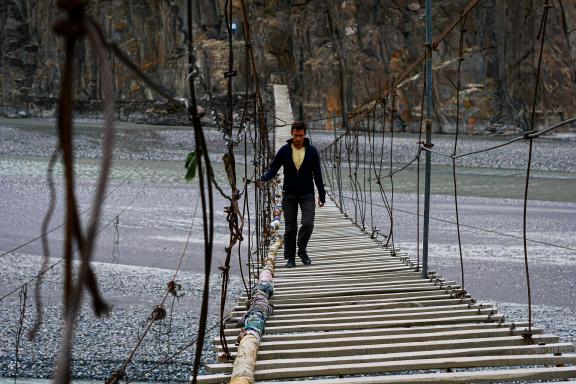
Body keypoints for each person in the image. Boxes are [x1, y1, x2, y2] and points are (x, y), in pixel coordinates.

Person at [259, 120, 325, 268]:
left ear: (304, 135)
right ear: (291, 133)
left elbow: (318, 175)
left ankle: (301, 250)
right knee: (290, 227)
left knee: (308, 223)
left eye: (301, 136)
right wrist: (262, 179)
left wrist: (322, 195)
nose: (298, 139)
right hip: (289, 194)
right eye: (295, 135)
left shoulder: (312, 151)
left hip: (307, 193)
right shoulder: (284, 150)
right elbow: (273, 170)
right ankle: (290, 258)